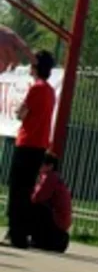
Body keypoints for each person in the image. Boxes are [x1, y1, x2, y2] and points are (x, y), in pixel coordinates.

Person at [7, 50, 57, 249]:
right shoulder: (50, 91)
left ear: (36, 66)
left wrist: (19, 109)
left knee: (16, 189)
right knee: (26, 189)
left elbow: (22, 114)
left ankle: (15, 233)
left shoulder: (36, 88)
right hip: (40, 145)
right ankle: (20, 232)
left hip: (27, 142)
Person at [27, 151, 70, 252]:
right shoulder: (55, 177)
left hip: (56, 223)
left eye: (41, 164)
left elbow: (37, 197)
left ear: (50, 166)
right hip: (59, 224)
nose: (38, 167)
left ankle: (23, 235)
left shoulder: (49, 177)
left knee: (33, 207)